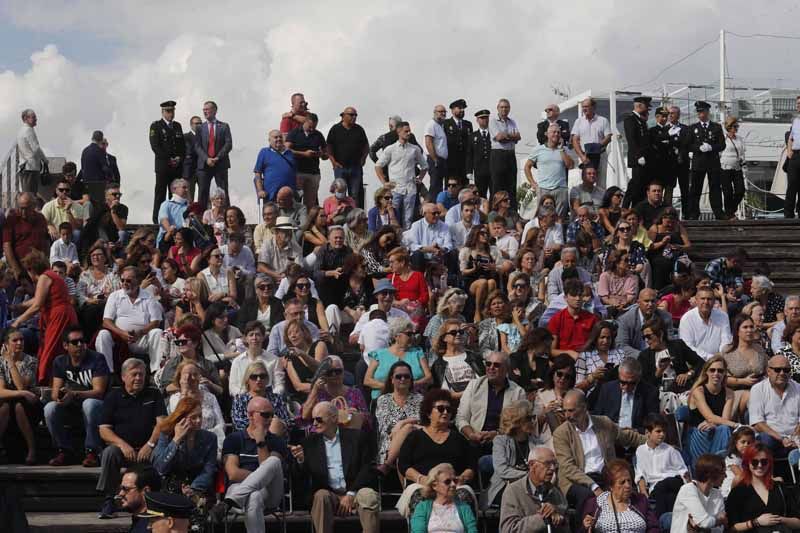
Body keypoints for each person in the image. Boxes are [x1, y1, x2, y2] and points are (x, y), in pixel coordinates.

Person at [290, 401, 379, 533]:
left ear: (334, 418)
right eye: (313, 420)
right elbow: (300, 477)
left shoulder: (357, 437)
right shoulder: (309, 443)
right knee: (321, 496)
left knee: (369, 495)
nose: (314, 424)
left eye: (319, 419)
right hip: (328, 495)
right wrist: (301, 461)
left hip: (354, 491)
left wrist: (350, 494)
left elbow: (368, 468)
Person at [552, 389, 645, 512]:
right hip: (577, 480)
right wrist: (593, 486)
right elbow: (568, 467)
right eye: (564, 411)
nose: (567, 416)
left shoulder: (603, 423)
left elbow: (626, 436)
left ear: (584, 408)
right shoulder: (561, 433)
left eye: (571, 411)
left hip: (604, 475)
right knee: (588, 498)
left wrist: (651, 442)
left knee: (628, 493)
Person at [97, 359, 167, 519]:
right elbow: (104, 430)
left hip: (148, 448)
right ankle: (109, 500)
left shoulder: (153, 394)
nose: (138, 378)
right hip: (123, 450)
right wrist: (123, 445)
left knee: (160, 453)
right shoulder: (113, 396)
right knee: (109, 453)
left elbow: (162, 424)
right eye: (134, 374)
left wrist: (149, 445)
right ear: (123, 377)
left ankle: (156, 500)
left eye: (141, 374)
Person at [396, 389, 476, 517]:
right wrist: (422, 479)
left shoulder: (459, 439)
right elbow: (404, 465)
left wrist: (461, 478)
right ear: (428, 413)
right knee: (420, 499)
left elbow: (471, 466)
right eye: (440, 408)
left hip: (453, 486)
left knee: (464, 497)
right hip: (421, 484)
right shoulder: (415, 437)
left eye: (448, 410)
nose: (445, 412)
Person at [10, 250, 78, 384]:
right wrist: (19, 306)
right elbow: (37, 299)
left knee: (51, 350)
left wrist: (17, 321)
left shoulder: (44, 277)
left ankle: (46, 382)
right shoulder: (51, 276)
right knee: (58, 350)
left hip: (59, 317)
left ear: (32, 269)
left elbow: (36, 306)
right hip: (64, 315)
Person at [44, 326, 108, 467]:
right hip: (71, 406)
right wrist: (62, 397)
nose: (80, 345)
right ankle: (64, 450)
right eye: (75, 342)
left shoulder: (97, 359)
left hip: (96, 407)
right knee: (50, 408)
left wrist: (74, 394)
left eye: (82, 341)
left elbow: (99, 391)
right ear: (65, 346)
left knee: (89, 403)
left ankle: (92, 451)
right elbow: (54, 394)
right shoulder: (60, 362)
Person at [222, 396, 287, 533]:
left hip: (269, 492)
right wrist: (259, 478)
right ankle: (234, 499)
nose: (270, 419)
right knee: (254, 496)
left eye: (272, 415)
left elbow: (269, 469)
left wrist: (261, 442)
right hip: (238, 487)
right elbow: (233, 474)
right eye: (265, 415)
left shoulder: (277, 441)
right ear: (250, 415)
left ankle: (228, 502)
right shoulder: (233, 439)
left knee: (273, 461)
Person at [457, 352, 526, 465]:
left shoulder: (518, 392)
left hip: (504, 442)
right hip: (474, 440)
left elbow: (518, 424)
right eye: (488, 364)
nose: (491, 368)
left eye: (497, 365)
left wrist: (496, 434)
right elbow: (461, 417)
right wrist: (471, 434)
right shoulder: (474, 385)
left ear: (506, 369)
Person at [95, 266, 164, 374]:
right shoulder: (115, 296)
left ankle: (157, 372)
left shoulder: (148, 296)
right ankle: (107, 373)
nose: (124, 283)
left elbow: (156, 321)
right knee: (103, 334)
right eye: (122, 280)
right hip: (120, 338)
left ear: (138, 281)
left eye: (129, 280)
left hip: (141, 338)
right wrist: (122, 333)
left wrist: (139, 333)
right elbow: (106, 321)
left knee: (158, 332)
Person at [152, 396, 218, 499]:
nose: (198, 421)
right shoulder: (166, 434)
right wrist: (176, 440)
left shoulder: (210, 438)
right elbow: (160, 468)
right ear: (181, 418)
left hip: (199, 489)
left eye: (200, 416)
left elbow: (208, 471)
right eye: (193, 417)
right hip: (173, 487)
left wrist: (193, 489)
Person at [726, 442, 800, 531]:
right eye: (754, 462)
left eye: (764, 462)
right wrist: (755, 522)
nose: (760, 465)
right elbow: (732, 528)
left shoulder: (780, 488)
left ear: (769, 463)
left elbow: (797, 522)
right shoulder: (738, 492)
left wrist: (779, 520)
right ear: (747, 463)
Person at [486, 399, 545, 508]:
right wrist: (529, 476)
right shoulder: (500, 441)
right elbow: (502, 470)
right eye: (528, 418)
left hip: (531, 487)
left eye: (533, 418)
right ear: (517, 422)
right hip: (505, 486)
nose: (533, 421)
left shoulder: (537, 442)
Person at [499, 446, 569, 533]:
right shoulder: (513, 492)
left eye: (554, 464)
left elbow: (567, 527)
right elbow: (508, 530)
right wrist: (543, 518)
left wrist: (560, 520)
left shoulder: (556, 493)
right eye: (547, 463)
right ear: (532, 465)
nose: (552, 468)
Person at [580, 458, 659, 533]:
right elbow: (584, 529)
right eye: (622, 482)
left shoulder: (641, 501)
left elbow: (654, 528)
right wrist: (585, 526)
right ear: (611, 486)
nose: (627, 485)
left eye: (629, 481)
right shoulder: (594, 504)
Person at [634, 414, 690, 518]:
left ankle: (659, 520)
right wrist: (643, 493)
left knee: (667, 484)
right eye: (658, 431)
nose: (662, 434)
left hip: (674, 483)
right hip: (656, 489)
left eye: (664, 431)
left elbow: (683, 472)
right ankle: (666, 522)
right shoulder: (640, 450)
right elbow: (640, 474)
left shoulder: (671, 450)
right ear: (647, 433)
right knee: (667, 496)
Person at [376, 121, 429, 229]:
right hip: (395, 189)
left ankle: (407, 243)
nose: (409, 133)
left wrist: (420, 178)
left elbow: (425, 166)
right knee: (392, 217)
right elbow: (378, 166)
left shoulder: (414, 149)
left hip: (410, 188)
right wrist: (384, 183)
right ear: (398, 132)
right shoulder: (390, 149)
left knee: (408, 219)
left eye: (409, 131)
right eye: (406, 131)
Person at [685, 356, 737, 465]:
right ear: (706, 372)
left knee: (724, 429)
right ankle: (722, 465)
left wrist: (715, 424)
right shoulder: (698, 391)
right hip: (699, 433)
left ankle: (720, 465)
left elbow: (724, 420)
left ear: (724, 374)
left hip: (718, 432)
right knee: (723, 429)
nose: (716, 373)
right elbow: (710, 417)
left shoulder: (729, 393)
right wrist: (736, 425)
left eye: (720, 371)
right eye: (712, 370)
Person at [364, 316, 431, 400]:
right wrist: (392, 387)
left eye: (413, 334)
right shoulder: (379, 354)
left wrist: (410, 385)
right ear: (396, 336)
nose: (412, 337)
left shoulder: (417, 352)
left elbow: (429, 378)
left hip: (413, 400)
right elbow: (367, 380)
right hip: (382, 400)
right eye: (409, 334)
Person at [0, 328, 40, 465]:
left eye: (21, 340)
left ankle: (32, 450)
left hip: (28, 404)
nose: (19, 343)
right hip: (9, 400)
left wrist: (11, 362)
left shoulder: (31, 361)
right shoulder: (0, 362)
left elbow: (21, 385)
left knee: (18, 406)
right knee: (4, 406)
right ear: (6, 344)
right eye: (15, 340)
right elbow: (1, 391)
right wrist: (22, 393)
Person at [166, 361, 225, 450]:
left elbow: (221, 423)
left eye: (195, 374)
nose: (192, 378)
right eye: (187, 374)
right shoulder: (174, 399)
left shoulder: (210, 397)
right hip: (185, 445)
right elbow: (177, 422)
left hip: (210, 443)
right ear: (180, 378)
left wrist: (207, 437)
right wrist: (184, 392)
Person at [589, 357, 659, 433]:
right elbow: (597, 416)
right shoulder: (607, 389)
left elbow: (653, 424)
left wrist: (636, 431)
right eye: (622, 382)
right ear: (619, 375)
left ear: (639, 378)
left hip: (636, 437)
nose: (626, 387)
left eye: (631, 383)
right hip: (611, 435)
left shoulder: (650, 392)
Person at [375, 360, 424, 469]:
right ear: (391, 379)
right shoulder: (383, 400)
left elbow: (423, 426)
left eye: (406, 376)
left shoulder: (420, 399)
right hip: (389, 445)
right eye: (398, 376)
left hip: (415, 446)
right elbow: (387, 427)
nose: (403, 379)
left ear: (411, 379)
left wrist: (402, 424)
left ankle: (386, 466)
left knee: (408, 428)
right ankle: (388, 464)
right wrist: (409, 424)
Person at [301, 355, 370, 431]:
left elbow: (367, 419)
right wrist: (315, 389)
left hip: (349, 435)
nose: (334, 375)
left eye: (338, 371)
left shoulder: (355, 393)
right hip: (322, 437)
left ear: (343, 372)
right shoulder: (318, 393)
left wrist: (356, 414)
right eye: (330, 372)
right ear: (324, 374)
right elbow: (305, 416)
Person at [748, 354, 800, 455]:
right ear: (768, 371)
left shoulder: (798, 388)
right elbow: (758, 423)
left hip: (795, 437)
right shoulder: (758, 389)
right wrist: (781, 438)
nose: (782, 373)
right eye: (777, 370)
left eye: (786, 370)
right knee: (765, 439)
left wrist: (795, 437)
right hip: (772, 437)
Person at [410, 462, 479, 533]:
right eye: (447, 481)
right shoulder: (422, 508)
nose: (453, 484)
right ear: (434, 486)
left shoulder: (464, 508)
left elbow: (472, 530)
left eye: (455, 481)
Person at [638, 318, 703, 393]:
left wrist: (688, 374)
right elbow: (644, 383)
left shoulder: (678, 346)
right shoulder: (644, 356)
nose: (646, 340)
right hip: (657, 395)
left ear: (660, 334)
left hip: (681, 390)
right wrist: (659, 372)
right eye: (644, 337)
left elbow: (700, 363)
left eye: (649, 336)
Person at [524, 123, 573, 222]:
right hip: (544, 189)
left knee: (559, 220)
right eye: (553, 132)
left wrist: (561, 150)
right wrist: (533, 184)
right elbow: (527, 167)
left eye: (558, 132)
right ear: (547, 134)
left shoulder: (564, 149)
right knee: (543, 219)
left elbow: (570, 165)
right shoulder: (538, 149)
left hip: (560, 188)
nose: (556, 134)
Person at [686, 101, 725, 220]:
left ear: (707, 112)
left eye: (702, 111)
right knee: (695, 189)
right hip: (699, 162)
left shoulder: (716, 127)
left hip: (713, 162)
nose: (700, 114)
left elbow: (722, 145)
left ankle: (718, 212)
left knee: (715, 188)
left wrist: (712, 147)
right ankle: (694, 213)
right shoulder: (693, 128)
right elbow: (688, 145)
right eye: (698, 112)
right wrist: (698, 148)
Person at [723, 314, 769, 415]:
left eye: (751, 327)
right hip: (735, 393)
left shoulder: (759, 349)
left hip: (760, 392)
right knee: (752, 401)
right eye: (745, 327)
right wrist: (742, 381)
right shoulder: (728, 351)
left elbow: (768, 371)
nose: (749, 330)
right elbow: (722, 378)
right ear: (737, 331)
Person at [230, 360, 292, 435]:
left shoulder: (276, 398)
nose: (258, 379)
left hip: (277, 435)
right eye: (254, 377)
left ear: (267, 379)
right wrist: (263, 424)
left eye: (262, 376)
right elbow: (238, 424)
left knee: (275, 424)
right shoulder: (239, 400)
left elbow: (287, 421)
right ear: (247, 380)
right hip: (250, 438)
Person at [670, 453, 727, 533]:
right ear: (711, 474)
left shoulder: (717, 494)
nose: (726, 476)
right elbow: (704, 522)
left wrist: (706, 527)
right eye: (723, 473)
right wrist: (719, 521)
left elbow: (719, 530)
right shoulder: (688, 489)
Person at [149, 100, 186, 224]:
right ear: (163, 112)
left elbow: (182, 146)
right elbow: (155, 146)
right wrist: (168, 159)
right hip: (163, 166)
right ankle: (157, 219)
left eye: (173, 111)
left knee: (175, 194)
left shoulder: (177, 126)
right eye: (168, 111)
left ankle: (174, 218)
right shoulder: (156, 126)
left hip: (176, 167)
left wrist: (179, 158)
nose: (171, 114)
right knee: (160, 192)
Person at [326, 106, 369, 208]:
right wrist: (333, 162)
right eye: (351, 115)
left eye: (355, 115)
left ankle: (354, 218)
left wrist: (363, 159)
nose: (354, 117)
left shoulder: (359, 129)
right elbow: (328, 147)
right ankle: (341, 216)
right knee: (340, 194)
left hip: (355, 167)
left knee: (355, 195)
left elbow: (366, 146)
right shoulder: (335, 129)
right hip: (340, 168)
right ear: (343, 116)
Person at [194, 101, 233, 209]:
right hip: (204, 165)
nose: (205, 111)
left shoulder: (224, 126)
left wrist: (217, 158)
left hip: (220, 164)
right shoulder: (200, 128)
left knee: (223, 190)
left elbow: (228, 144)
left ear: (215, 111)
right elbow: (197, 146)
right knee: (202, 192)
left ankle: (226, 214)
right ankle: (201, 218)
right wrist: (207, 159)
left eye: (207, 109)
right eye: (204, 109)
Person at [3, 192, 50, 281]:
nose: (23, 212)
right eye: (21, 208)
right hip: (20, 265)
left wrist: (46, 260)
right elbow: (7, 245)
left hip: (38, 266)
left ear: (33, 206)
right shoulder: (12, 219)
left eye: (26, 208)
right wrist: (16, 269)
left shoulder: (40, 218)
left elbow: (46, 241)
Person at [614, 288, 672, 359]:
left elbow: (670, 341)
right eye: (646, 301)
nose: (650, 304)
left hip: (660, 356)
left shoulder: (666, 317)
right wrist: (644, 356)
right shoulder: (625, 319)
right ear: (638, 302)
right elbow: (621, 345)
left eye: (653, 301)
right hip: (636, 358)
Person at [547, 279, 599, 358]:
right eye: (573, 295)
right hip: (564, 361)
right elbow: (551, 351)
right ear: (565, 298)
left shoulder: (592, 319)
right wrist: (570, 353)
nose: (578, 298)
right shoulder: (556, 319)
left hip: (588, 359)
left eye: (580, 295)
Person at [229, 321, 283, 397]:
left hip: (268, 400)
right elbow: (233, 388)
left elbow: (279, 386)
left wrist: (269, 397)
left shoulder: (274, 360)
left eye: (258, 335)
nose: (254, 338)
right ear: (245, 338)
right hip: (244, 400)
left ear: (263, 337)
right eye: (251, 335)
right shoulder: (237, 361)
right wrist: (249, 397)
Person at [679, 287, 733, 361]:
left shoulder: (723, 316)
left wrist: (721, 355)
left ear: (714, 301)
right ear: (696, 300)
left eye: (709, 299)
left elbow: (726, 340)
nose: (706, 302)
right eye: (703, 298)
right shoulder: (687, 319)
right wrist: (711, 358)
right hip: (696, 361)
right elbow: (688, 346)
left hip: (720, 360)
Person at [286, 112, 327, 209]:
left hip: (313, 173)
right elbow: (286, 150)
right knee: (296, 200)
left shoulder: (318, 135)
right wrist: (303, 154)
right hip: (298, 172)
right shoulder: (294, 133)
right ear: (305, 122)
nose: (312, 129)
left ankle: (308, 222)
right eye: (310, 126)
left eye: (314, 127)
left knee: (310, 203)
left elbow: (326, 154)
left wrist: (321, 154)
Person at [571, 97, 613, 189]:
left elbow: (608, 137)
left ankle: (600, 203)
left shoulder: (603, 120)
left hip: (600, 156)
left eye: (586, 106)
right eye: (583, 107)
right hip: (584, 157)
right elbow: (574, 140)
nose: (584, 109)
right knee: (584, 183)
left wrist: (597, 147)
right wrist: (582, 157)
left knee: (601, 184)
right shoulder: (578, 121)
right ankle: (585, 202)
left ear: (593, 107)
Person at [575, 321, 625, 396]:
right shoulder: (584, 356)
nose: (605, 341)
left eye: (608, 338)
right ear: (595, 338)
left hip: (617, 394)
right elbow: (577, 388)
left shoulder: (620, 354)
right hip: (594, 397)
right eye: (602, 337)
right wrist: (592, 377)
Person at [621, 96, 653, 208]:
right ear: (639, 106)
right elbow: (632, 139)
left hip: (645, 159)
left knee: (641, 186)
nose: (647, 110)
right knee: (635, 184)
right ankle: (625, 207)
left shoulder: (641, 120)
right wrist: (639, 155)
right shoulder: (631, 119)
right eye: (646, 107)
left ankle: (637, 209)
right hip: (638, 159)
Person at [489, 99, 522, 207]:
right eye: (502, 107)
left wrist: (506, 135)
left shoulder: (512, 122)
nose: (504, 109)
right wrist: (511, 136)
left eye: (506, 107)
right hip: (498, 155)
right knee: (497, 185)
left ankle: (512, 211)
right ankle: (496, 211)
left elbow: (518, 137)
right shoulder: (493, 121)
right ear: (498, 108)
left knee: (512, 184)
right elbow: (499, 137)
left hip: (510, 154)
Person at [403, 203, 454, 271]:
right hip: (422, 257)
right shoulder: (416, 225)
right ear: (425, 214)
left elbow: (449, 244)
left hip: (439, 256)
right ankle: (419, 278)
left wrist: (442, 249)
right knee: (417, 254)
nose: (437, 215)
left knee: (453, 252)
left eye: (438, 213)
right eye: (434, 213)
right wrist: (428, 249)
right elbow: (412, 245)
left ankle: (452, 278)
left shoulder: (444, 226)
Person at [253, 130, 296, 203]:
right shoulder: (264, 152)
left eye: (280, 137)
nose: (279, 139)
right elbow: (258, 173)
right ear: (269, 140)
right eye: (276, 137)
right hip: (271, 195)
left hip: (289, 195)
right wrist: (260, 190)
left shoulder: (289, 153)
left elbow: (295, 171)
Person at [117, 464, 162, 533]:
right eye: (121, 488)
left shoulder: (153, 527)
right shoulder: (140, 520)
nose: (121, 493)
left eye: (126, 489)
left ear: (146, 491)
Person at [720, 116, 747, 219]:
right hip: (725, 168)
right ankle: (729, 213)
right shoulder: (723, 138)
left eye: (737, 126)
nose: (737, 128)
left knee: (740, 190)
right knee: (728, 192)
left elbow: (742, 153)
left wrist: (744, 163)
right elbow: (719, 153)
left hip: (737, 168)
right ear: (729, 127)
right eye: (735, 126)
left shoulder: (740, 139)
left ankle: (731, 209)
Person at [597, 249, 638, 316]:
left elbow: (630, 296)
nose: (629, 263)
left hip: (626, 306)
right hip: (608, 306)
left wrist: (623, 303)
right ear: (617, 263)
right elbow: (604, 297)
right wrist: (612, 303)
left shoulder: (632, 277)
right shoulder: (605, 276)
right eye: (626, 260)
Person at [16, 108, 48, 195]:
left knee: (26, 193)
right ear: (26, 119)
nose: (36, 119)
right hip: (31, 167)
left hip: (25, 166)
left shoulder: (21, 131)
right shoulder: (28, 130)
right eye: (33, 117)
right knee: (30, 195)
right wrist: (45, 160)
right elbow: (36, 148)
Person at [721, 426, 756, 498]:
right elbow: (741, 476)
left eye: (749, 443)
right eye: (743, 442)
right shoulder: (731, 458)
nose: (746, 445)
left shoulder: (752, 457)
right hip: (730, 490)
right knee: (739, 478)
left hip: (746, 485)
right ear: (736, 443)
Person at [424, 105, 450, 200]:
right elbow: (428, 142)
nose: (443, 113)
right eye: (440, 111)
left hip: (442, 159)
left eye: (444, 112)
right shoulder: (431, 125)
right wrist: (435, 159)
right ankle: (431, 206)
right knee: (435, 186)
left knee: (439, 186)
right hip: (434, 159)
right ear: (434, 112)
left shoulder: (440, 126)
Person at [468, 109, 493, 198]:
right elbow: (469, 154)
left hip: (493, 169)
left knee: (494, 194)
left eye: (486, 118)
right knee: (481, 194)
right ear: (477, 120)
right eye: (482, 118)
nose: (484, 120)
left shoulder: (493, 134)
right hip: (479, 170)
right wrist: (469, 171)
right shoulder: (472, 136)